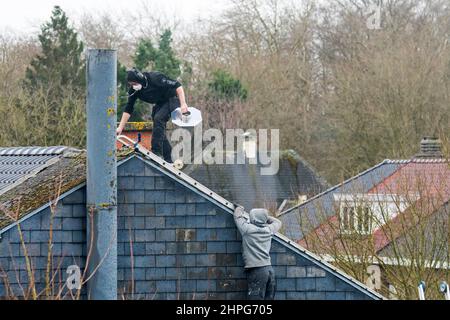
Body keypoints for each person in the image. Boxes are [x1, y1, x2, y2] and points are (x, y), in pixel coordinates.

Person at [116, 68, 189, 163]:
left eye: (134, 84)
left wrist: (183, 104)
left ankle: (156, 153)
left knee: (159, 118)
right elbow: (128, 109)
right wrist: (120, 128)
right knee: (158, 128)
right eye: (131, 85)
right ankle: (169, 158)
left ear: (140, 79)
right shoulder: (134, 91)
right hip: (160, 103)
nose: (133, 87)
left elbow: (178, 86)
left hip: (173, 99)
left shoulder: (155, 78)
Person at [233, 204, 282, 300]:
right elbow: (278, 222)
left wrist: (240, 208)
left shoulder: (247, 229)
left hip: (257, 271)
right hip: (269, 270)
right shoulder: (269, 230)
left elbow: (237, 216)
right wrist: (266, 218)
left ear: (253, 219)